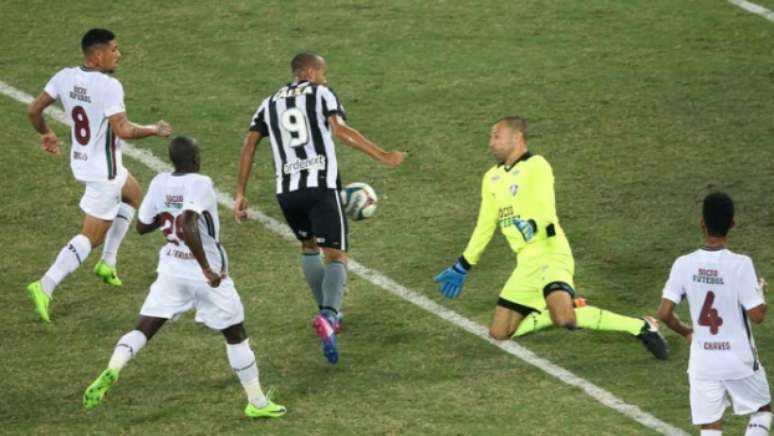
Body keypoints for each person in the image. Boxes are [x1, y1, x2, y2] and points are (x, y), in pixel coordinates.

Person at [82, 136, 286, 419]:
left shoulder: (158, 183)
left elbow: (141, 226)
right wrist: (206, 268)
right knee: (235, 334)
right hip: (205, 273)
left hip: (171, 269)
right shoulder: (200, 183)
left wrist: (168, 211)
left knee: (144, 328)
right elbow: (188, 224)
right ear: (195, 159)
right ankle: (257, 402)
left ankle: (114, 367)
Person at [434, 116, 668, 359]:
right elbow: (485, 224)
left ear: (517, 137)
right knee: (499, 332)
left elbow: (547, 208)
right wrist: (463, 264)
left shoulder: (537, 165)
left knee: (565, 319)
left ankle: (641, 326)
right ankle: (558, 307)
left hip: (550, 252)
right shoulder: (491, 178)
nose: (490, 143)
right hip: (525, 263)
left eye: (496, 136)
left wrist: (532, 225)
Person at [234, 52, 404, 364]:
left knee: (308, 247)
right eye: (324, 73)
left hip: (286, 192)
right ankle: (329, 315)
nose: (326, 79)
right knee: (336, 255)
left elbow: (248, 146)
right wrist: (383, 156)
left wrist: (240, 193)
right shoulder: (321, 93)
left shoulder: (267, 103)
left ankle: (327, 314)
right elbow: (339, 130)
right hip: (321, 187)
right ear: (311, 73)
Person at [25, 28, 172, 322]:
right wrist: (155, 130)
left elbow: (33, 110)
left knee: (133, 193)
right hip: (105, 171)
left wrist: (46, 133)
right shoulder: (109, 86)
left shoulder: (64, 76)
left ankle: (108, 262)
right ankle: (45, 285)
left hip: (83, 160)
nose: (119, 54)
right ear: (97, 56)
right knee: (90, 237)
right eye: (114, 50)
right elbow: (124, 130)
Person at [657, 192, 771, 435]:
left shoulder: (683, 263)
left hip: (703, 362)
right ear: (732, 224)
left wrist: (687, 331)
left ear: (702, 223)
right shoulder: (741, 264)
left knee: (710, 426)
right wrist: (761, 293)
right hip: (738, 360)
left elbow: (664, 313)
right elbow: (757, 316)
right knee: (762, 410)